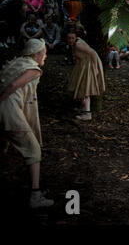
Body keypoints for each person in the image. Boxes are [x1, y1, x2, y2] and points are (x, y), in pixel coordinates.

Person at [0, 39, 54, 208]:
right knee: (33, 150)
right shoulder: (34, 70)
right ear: (37, 54)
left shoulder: (17, 63)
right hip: (8, 112)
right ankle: (35, 196)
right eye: (44, 53)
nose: (45, 56)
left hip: (5, 111)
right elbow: (15, 85)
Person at [66, 30, 105, 121]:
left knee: (85, 88)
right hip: (84, 64)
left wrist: (95, 68)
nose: (70, 40)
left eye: (72, 38)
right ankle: (84, 109)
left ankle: (87, 113)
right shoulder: (77, 42)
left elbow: (93, 53)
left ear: (76, 38)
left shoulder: (78, 44)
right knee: (81, 86)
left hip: (90, 65)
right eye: (69, 38)